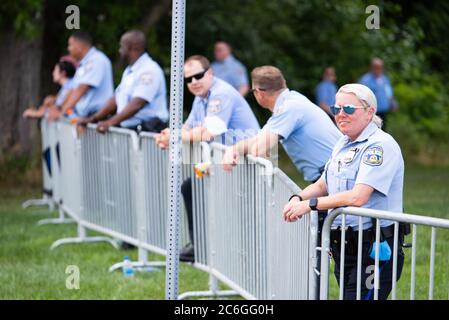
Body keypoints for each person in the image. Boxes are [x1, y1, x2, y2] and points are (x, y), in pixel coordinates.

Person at [283, 83, 405, 300]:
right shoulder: (343, 142)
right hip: (345, 247)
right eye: (336, 108)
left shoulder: (380, 146)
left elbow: (358, 197)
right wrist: (298, 197)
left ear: (369, 112)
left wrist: (310, 205)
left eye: (348, 109)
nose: (340, 114)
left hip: (373, 249)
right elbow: (323, 184)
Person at [155, 55, 260, 262]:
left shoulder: (221, 93)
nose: (193, 82)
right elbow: (190, 127)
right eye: (188, 79)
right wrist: (168, 135)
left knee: (236, 212)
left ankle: (231, 254)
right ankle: (201, 248)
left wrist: (174, 137)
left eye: (198, 76)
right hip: (228, 161)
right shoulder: (201, 96)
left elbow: (208, 133)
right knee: (190, 187)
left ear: (210, 73)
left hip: (247, 161)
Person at [77, 30, 168, 133]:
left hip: (149, 131)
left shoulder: (149, 70)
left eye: (121, 46)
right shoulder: (130, 70)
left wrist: (110, 122)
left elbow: (137, 103)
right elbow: (116, 98)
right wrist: (94, 118)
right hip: (135, 130)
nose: (119, 50)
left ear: (130, 47)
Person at [48, 31, 114, 121]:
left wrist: (62, 112)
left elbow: (82, 89)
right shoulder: (84, 64)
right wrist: (60, 108)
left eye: (70, 45)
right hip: (87, 117)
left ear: (79, 45)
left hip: (97, 117)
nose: (69, 49)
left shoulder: (96, 60)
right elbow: (74, 90)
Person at [359, 58, 398, 130]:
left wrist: (393, 103)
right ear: (372, 68)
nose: (378, 69)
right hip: (371, 112)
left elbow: (389, 92)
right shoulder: (365, 80)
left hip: (383, 111)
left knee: (383, 130)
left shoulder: (384, 79)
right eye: (376, 67)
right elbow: (361, 96)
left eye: (380, 67)